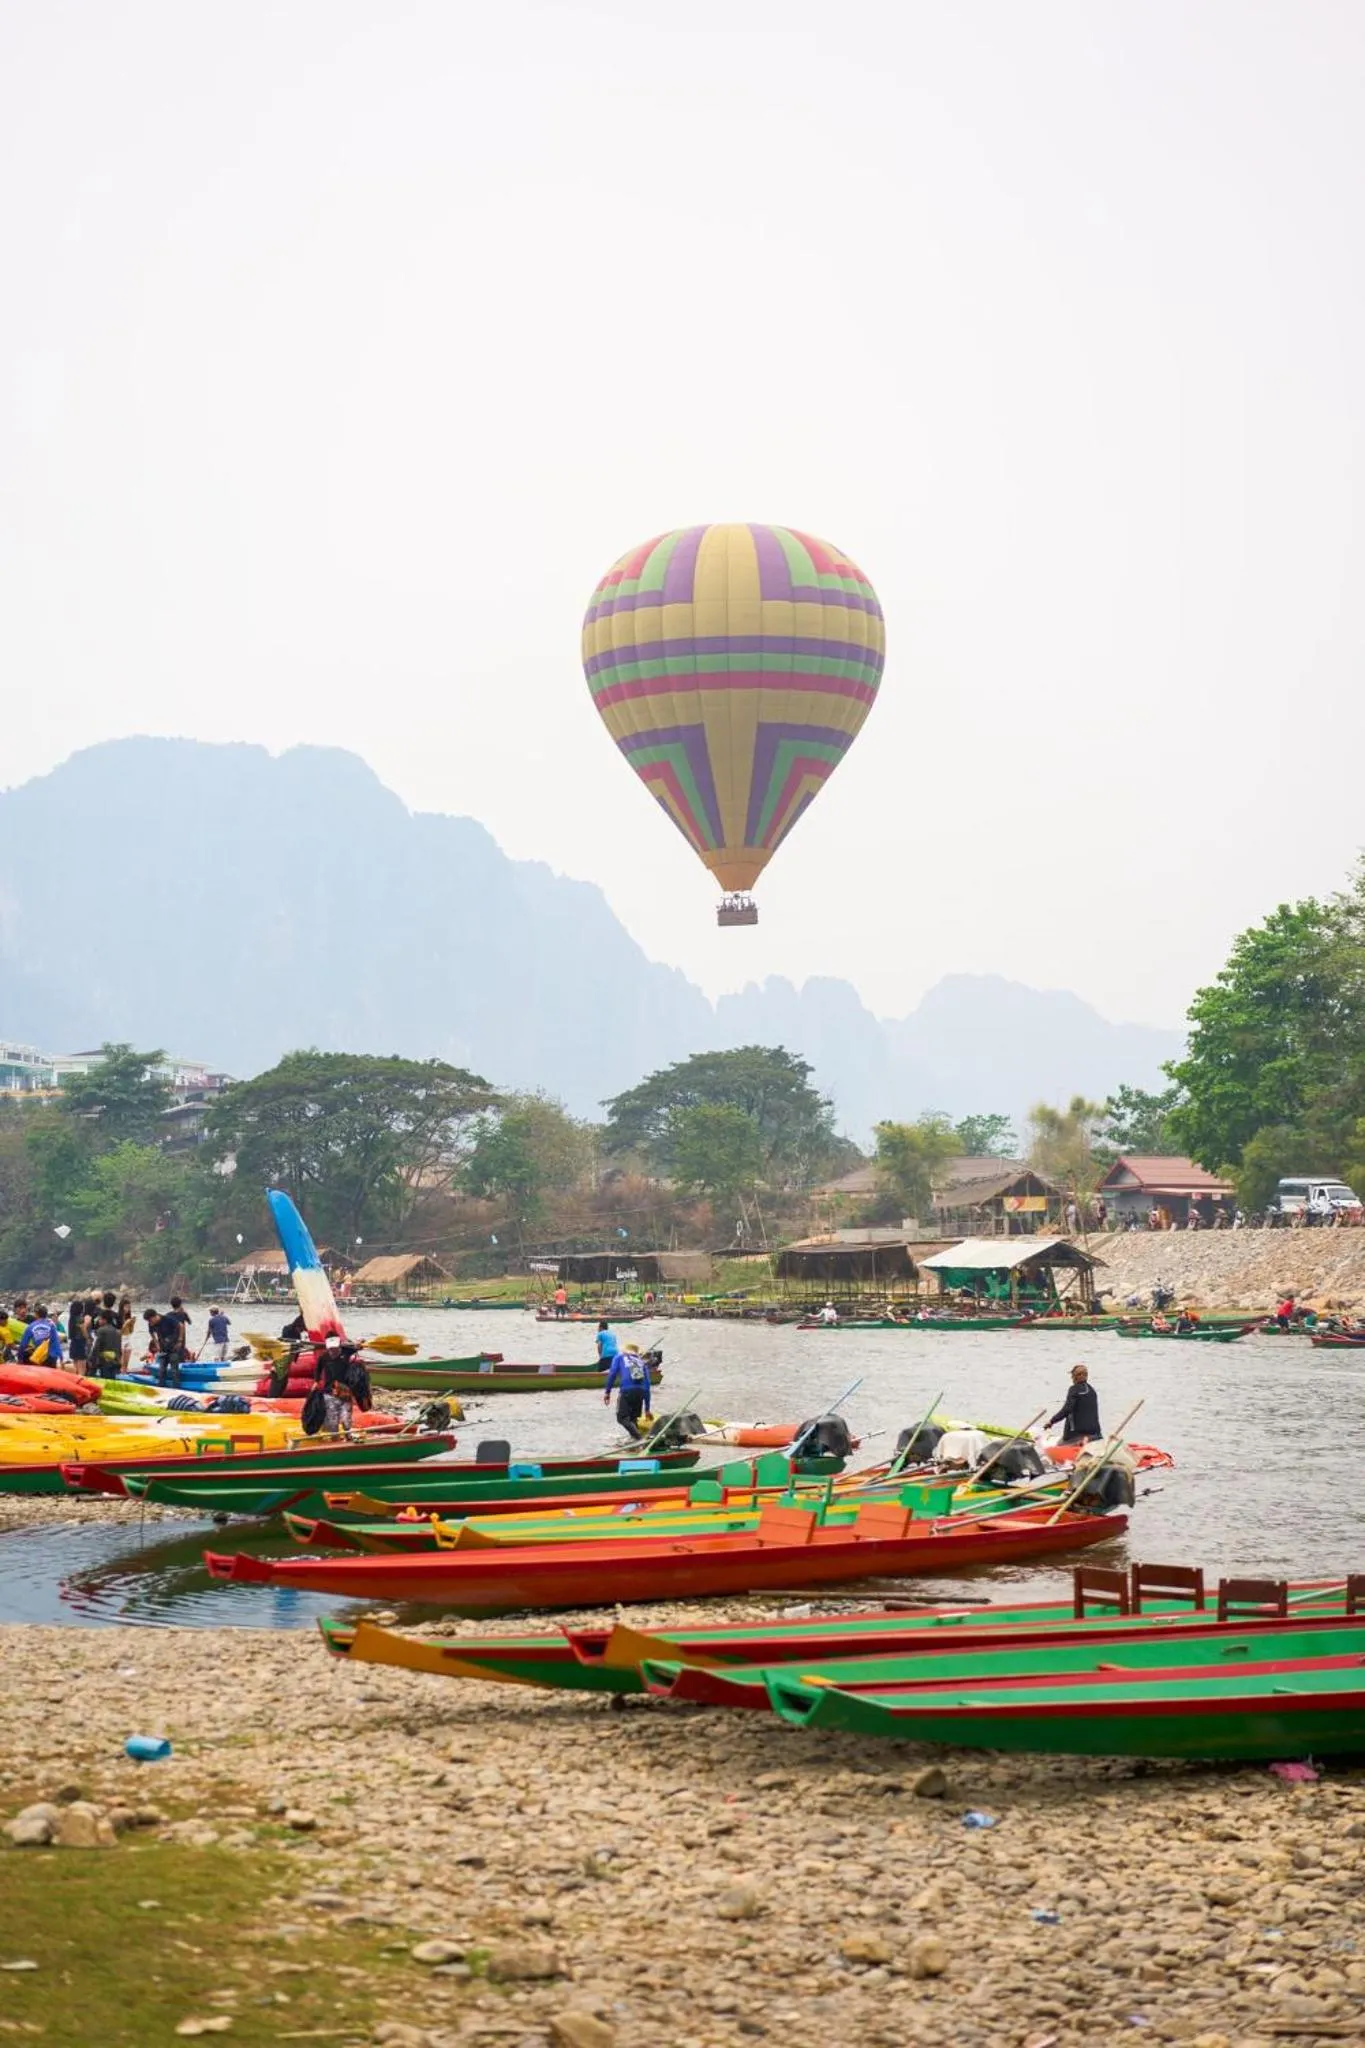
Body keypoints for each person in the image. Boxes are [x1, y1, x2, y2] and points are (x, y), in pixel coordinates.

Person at [602, 1345, 652, 1439]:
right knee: (633, 1419)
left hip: (626, 1391)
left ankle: (639, 1439)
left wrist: (607, 1392)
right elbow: (647, 1386)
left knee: (622, 1418)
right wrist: (647, 1409)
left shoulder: (619, 1357)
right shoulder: (641, 1362)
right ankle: (636, 1442)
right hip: (640, 1392)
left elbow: (612, 1373)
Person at [1047, 1364, 1101, 1444]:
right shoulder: (1092, 1391)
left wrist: (1051, 1421)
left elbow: (1067, 1409)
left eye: (1072, 1376)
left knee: (1059, 1444)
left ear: (1075, 1377)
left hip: (1077, 1435)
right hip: (1095, 1434)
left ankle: (1081, 1442)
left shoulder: (1074, 1389)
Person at [153, 1303, 187, 1388]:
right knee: (162, 1370)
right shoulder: (183, 1314)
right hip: (164, 1349)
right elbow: (152, 1332)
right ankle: (161, 1387)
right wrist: (157, 1343)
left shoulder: (168, 1317)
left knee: (174, 1370)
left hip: (173, 1347)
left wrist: (179, 1340)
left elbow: (181, 1326)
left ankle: (176, 1388)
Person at [88, 1311, 124, 1380]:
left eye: (100, 1319)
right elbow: (119, 1348)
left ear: (105, 1320)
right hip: (115, 1361)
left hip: (105, 1362)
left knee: (104, 1380)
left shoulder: (101, 1330)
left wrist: (91, 1359)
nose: (98, 1321)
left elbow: (96, 1347)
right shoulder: (117, 1332)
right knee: (112, 1381)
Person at [67, 1296, 89, 1364]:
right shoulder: (80, 1319)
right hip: (80, 1342)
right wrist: (88, 1338)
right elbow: (83, 1329)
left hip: (73, 1341)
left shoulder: (71, 1319)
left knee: (75, 1362)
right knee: (82, 1362)